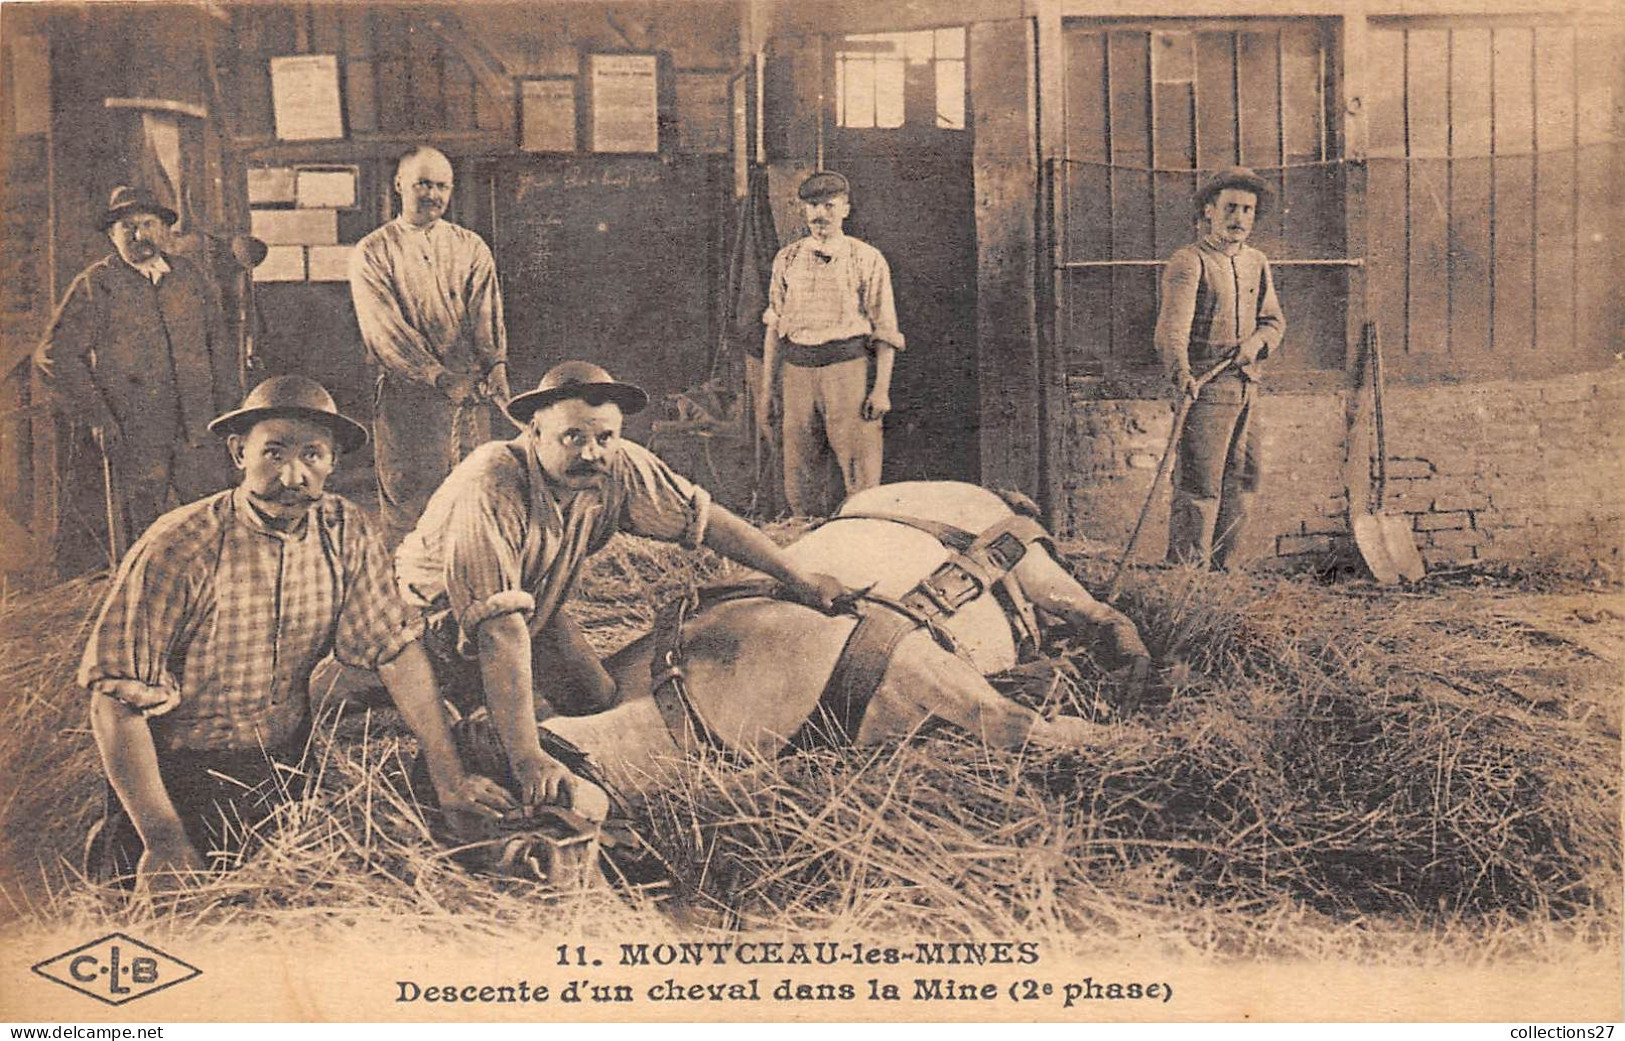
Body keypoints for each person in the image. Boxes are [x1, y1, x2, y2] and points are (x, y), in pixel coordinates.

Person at [79, 376, 513, 891]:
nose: (293, 475)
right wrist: (163, 839)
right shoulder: (179, 546)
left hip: (282, 770)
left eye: (313, 455)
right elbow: (115, 701)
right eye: (274, 453)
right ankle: (121, 840)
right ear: (239, 452)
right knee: (171, 904)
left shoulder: (345, 529)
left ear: (332, 462)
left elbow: (396, 651)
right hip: (177, 777)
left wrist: (450, 778)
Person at [396, 360, 854, 808]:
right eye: (572, 437)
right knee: (495, 755)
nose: (591, 452)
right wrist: (528, 756)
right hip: (428, 636)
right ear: (534, 432)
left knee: (600, 703)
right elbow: (497, 631)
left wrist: (798, 579)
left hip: (533, 614)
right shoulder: (491, 484)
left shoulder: (615, 466)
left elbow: (705, 520)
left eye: (604, 437)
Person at [35, 186, 239, 572]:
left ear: (164, 230)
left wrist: (230, 416)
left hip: (200, 431)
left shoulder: (190, 278)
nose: (139, 235)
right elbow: (53, 355)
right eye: (127, 227)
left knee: (213, 528)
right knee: (144, 545)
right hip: (137, 435)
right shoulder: (97, 284)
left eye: (148, 224)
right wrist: (100, 417)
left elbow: (220, 350)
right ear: (112, 235)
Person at [350, 146, 511, 546]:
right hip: (408, 401)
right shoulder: (372, 252)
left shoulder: (471, 247)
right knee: (413, 509)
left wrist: (496, 366)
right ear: (400, 184)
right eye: (423, 183)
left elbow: (486, 314)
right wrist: (437, 376)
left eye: (442, 186)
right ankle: (410, 601)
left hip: (469, 400)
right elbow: (385, 330)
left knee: (474, 499)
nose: (433, 194)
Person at [1154, 167, 1286, 570]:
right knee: (1200, 487)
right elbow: (1170, 332)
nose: (1240, 218)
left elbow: (1274, 321)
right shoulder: (1190, 262)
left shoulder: (1256, 262)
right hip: (1207, 389)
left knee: (1243, 480)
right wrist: (1182, 375)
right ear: (1209, 210)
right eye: (1231, 207)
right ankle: (1185, 580)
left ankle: (1222, 574)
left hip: (1247, 385)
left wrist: (1256, 344)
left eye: (1248, 210)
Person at [758, 170, 903, 516]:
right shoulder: (787, 259)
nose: (819, 214)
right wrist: (767, 390)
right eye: (812, 206)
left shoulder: (865, 258)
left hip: (847, 371)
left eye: (828, 205)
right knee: (800, 475)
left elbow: (885, 329)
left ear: (845, 209)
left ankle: (862, 547)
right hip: (797, 374)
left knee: (860, 473)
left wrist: (881, 389)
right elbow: (774, 327)